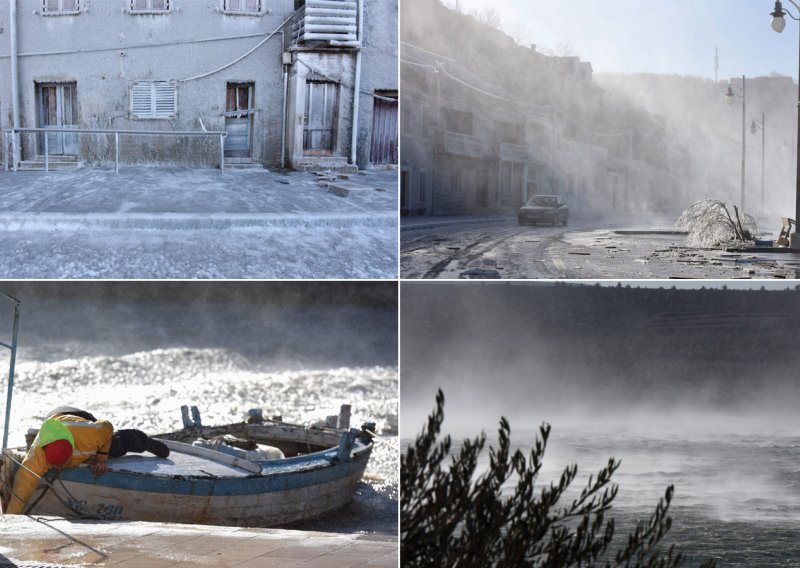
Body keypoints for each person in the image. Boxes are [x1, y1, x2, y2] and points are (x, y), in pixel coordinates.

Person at [4, 407, 169, 515]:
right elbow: (21, 490)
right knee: (25, 481)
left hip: (78, 417)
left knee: (116, 444)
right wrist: (10, 522)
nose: (58, 468)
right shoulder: (36, 459)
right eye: (54, 465)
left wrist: (101, 459)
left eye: (62, 463)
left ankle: (146, 442)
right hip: (57, 417)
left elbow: (106, 426)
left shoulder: (88, 434)